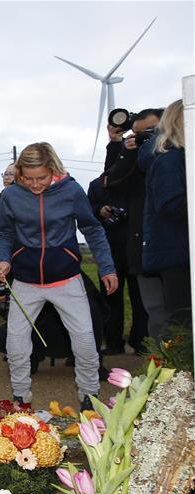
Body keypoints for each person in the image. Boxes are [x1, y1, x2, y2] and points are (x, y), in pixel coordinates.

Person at [0, 142, 118, 410]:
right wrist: (4, 259)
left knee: (85, 340)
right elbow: (3, 232)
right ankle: (20, 398)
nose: (35, 184)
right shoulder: (11, 196)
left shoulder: (71, 190)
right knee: (15, 342)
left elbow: (92, 229)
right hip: (25, 279)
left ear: (53, 169)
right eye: (28, 178)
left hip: (66, 278)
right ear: (19, 173)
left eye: (41, 178)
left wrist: (106, 267)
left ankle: (89, 395)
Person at [104, 108, 162, 348]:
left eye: (149, 132)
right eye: (137, 134)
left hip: (169, 242)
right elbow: (110, 182)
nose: (141, 138)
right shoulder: (134, 159)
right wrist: (120, 148)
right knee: (154, 306)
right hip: (136, 241)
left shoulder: (177, 157)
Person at [138, 99, 190, 335]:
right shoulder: (169, 160)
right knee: (183, 321)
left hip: (179, 250)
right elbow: (169, 205)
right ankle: (180, 369)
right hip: (176, 252)